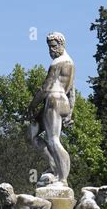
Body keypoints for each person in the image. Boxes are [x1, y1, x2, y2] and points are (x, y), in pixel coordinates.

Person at [28, 32, 75, 185]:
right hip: (63, 102)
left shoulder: (57, 63)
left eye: (54, 47)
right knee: (33, 134)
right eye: (49, 47)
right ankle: (54, 167)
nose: (51, 51)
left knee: (53, 140)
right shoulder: (70, 63)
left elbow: (45, 88)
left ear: (62, 45)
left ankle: (62, 178)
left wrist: (32, 105)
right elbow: (72, 91)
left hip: (54, 100)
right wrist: (70, 112)